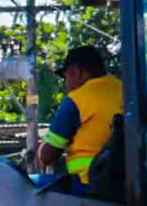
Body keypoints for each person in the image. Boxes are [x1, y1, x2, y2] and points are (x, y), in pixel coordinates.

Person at [35, 45, 124, 195]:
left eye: (66, 77)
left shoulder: (77, 100)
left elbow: (47, 155)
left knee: (29, 186)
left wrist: (40, 150)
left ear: (77, 71)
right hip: (124, 185)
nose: (66, 84)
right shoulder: (125, 90)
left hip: (89, 186)